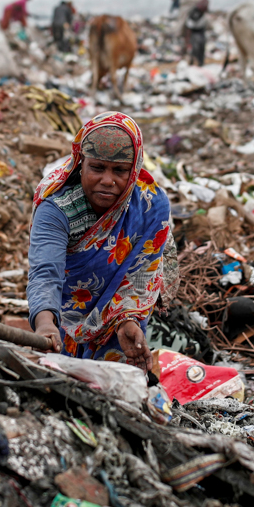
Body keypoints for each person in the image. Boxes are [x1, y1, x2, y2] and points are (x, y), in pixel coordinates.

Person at [27, 112, 174, 370]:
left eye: (120, 170)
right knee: (59, 380)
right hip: (63, 314)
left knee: (112, 386)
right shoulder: (57, 208)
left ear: (135, 170)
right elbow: (45, 272)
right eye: (97, 168)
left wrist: (128, 321)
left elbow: (142, 273)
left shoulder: (150, 205)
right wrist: (44, 323)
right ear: (80, 163)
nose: (107, 181)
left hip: (119, 321)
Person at [184, 0, 211, 67]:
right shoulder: (194, 13)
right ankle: (193, 63)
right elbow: (189, 28)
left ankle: (201, 63)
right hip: (195, 33)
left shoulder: (203, 12)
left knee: (202, 47)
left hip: (201, 32)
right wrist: (187, 40)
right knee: (195, 48)